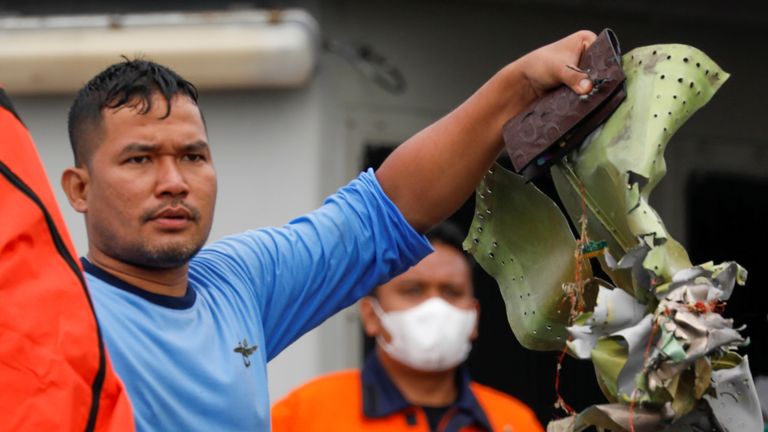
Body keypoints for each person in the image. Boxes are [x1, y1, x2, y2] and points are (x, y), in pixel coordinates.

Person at [58, 30, 597, 430]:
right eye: (139, 160)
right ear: (79, 189)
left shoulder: (237, 284)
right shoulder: (58, 317)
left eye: (193, 156)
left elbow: (385, 210)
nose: (173, 182)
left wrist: (517, 86)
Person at [271, 223, 544, 431]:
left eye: (451, 291)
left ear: (474, 316)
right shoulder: (305, 414)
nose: (435, 306)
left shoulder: (513, 422)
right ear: (371, 315)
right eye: (413, 290)